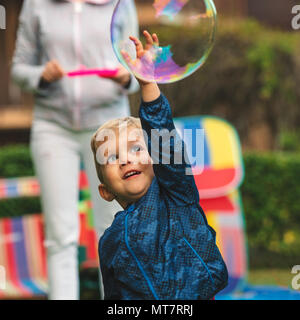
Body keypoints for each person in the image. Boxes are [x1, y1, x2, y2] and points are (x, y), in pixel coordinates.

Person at [11, 0, 139, 300]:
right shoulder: (37, 4)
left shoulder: (122, 4)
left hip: (110, 130)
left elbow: (137, 69)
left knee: (114, 230)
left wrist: (126, 76)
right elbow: (19, 69)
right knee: (60, 235)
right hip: (53, 127)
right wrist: (40, 74)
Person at [90, 31, 228, 300]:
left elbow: (164, 139)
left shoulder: (176, 195)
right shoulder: (110, 241)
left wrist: (148, 85)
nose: (126, 159)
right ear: (105, 191)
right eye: (111, 157)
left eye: (136, 148)